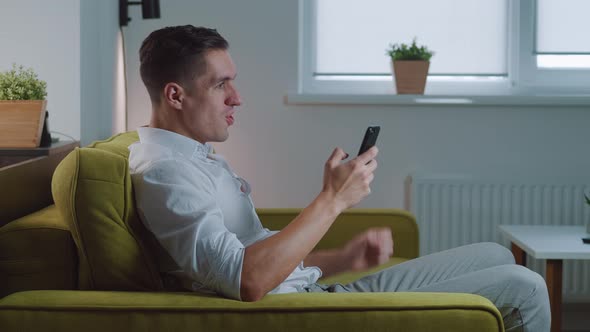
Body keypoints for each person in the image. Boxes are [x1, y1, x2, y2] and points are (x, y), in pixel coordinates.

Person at [129, 25, 550, 331]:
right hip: (306, 311)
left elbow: (263, 261)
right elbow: (248, 280)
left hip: (311, 291)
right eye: (222, 85)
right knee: (526, 287)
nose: (237, 97)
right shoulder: (167, 173)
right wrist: (331, 200)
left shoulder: (194, 156)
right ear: (175, 95)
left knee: (495, 255)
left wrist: (344, 259)